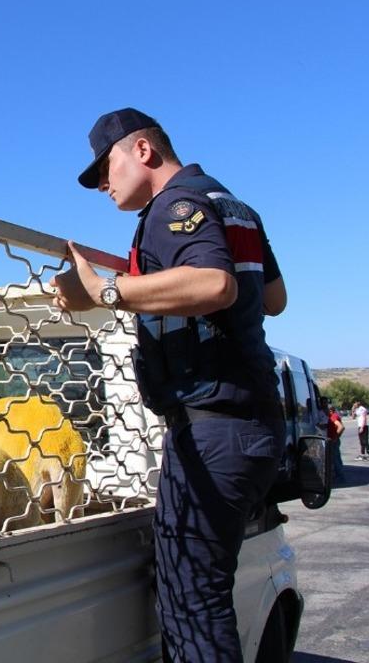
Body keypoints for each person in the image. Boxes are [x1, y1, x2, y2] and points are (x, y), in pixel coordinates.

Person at [50, 108, 287, 663]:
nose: (103, 185)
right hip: (253, 420)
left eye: (105, 169)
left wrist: (106, 292)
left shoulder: (173, 206)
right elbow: (274, 299)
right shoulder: (234, 205)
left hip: (212, 427)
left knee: (192, 603)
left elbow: (215, 283)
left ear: (143, 151)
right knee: (202, 592)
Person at [327, 405, 346, 482]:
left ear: (330, 411)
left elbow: (341, 427)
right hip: (335, 440)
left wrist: (335, 437)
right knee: (337, 457)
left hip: (333, 440)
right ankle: (340, 474)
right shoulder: (335, 415)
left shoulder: (333, 417)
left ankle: (339, 476)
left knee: (335, 459)